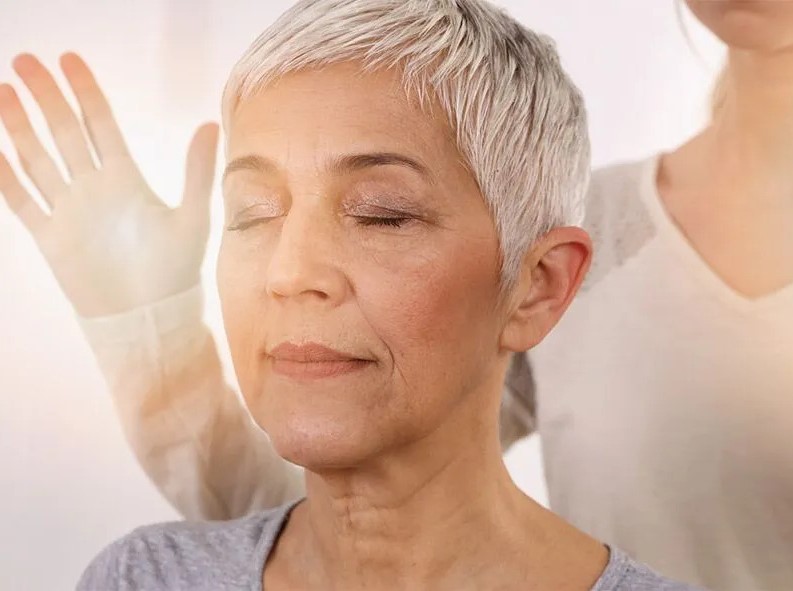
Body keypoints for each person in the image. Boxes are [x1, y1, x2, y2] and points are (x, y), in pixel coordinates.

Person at [0, 0, 790, 590]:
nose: (288, 271)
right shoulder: (146, 576)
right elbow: (359, 462)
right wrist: (146, 324)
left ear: (543, 283)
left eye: (382, 214)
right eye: (249, 214)